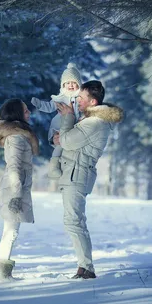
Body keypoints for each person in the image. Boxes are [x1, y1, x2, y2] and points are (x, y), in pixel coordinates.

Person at [54, 80, 123, 279]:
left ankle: (87, 268)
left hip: (77, 174)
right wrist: (64, 136)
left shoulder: (94, 122)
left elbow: (67, 140)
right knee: (74, 221)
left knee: (74, 222)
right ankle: (85, 267)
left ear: (92, 102)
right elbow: (66, 141)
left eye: (81, 98)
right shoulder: (89, 120)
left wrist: (67, 119)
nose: (77, 101)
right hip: (74, 174)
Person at [0, 98, 39, 280]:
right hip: (13, 190)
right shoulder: (17, 137)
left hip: (15, 188)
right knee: (11, 232)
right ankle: (2, 275)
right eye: (26, 110)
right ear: (17, 114)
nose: (29, 113)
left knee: (10, 231)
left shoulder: (20, 135)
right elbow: (14, 167)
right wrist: (16, 195)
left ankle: (2, 272)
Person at [31, 63, 82, 179]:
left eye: (74, 83)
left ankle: (68, 168)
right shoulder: (61, 98)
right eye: (68, 83)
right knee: (59, 145)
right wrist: (39, 105)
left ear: (79, 84)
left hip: (75, 126)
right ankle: (53, 167)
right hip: (60, 125)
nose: (71, 85)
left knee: (70, 149)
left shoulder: (81, 98)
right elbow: (49, 107)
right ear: (63, 85)